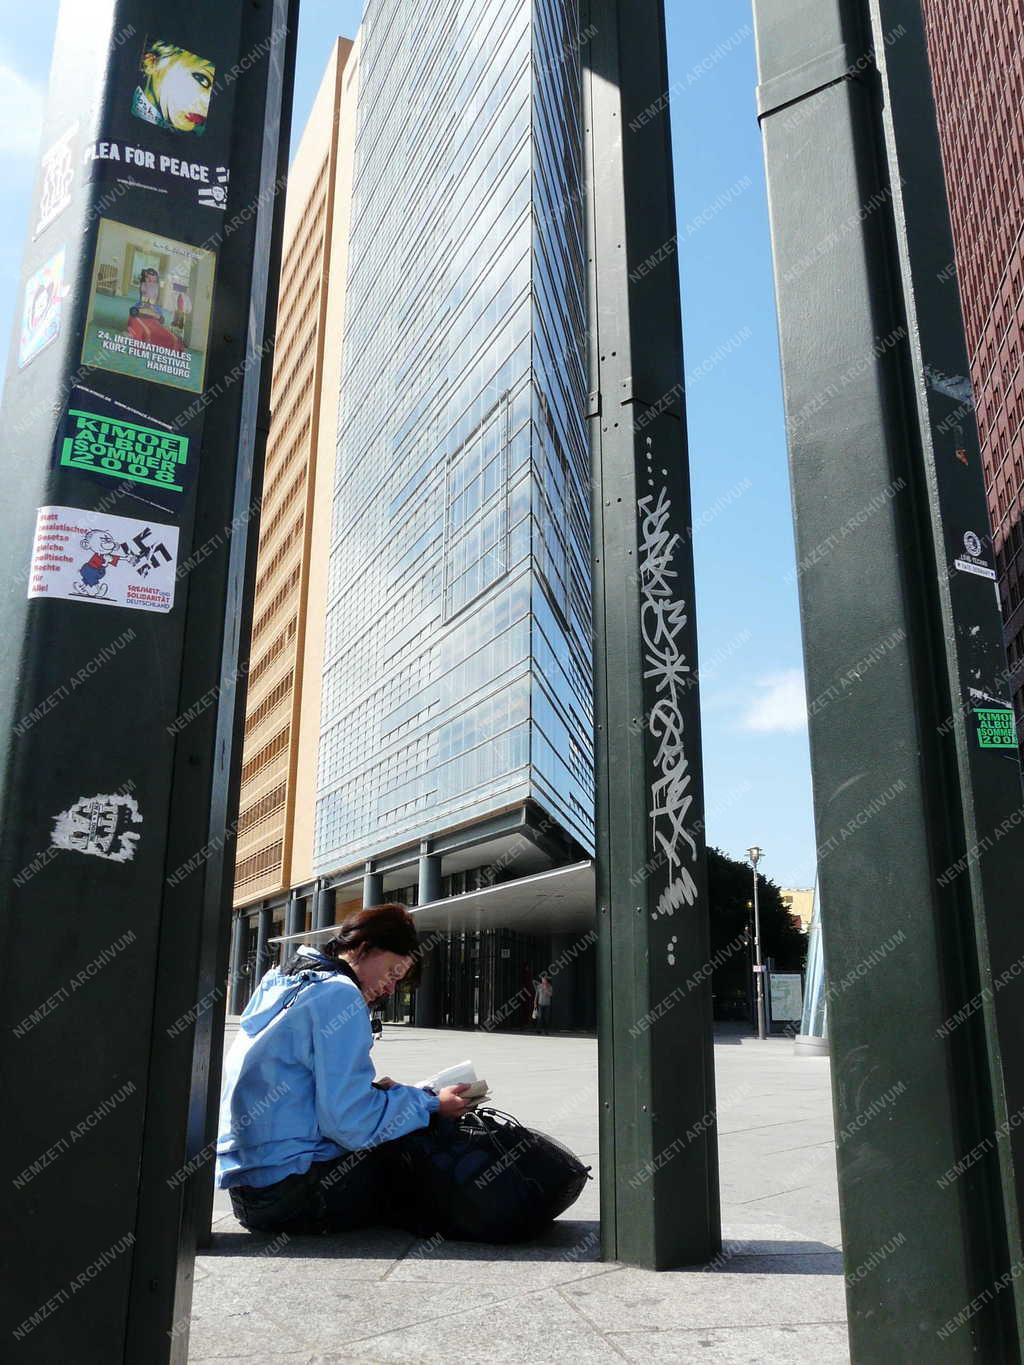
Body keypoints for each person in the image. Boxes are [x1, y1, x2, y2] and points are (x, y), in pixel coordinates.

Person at [216, 903, 469, 1234]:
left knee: (402, 1124)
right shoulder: (339, 994)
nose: (391, 988)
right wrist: (432, 1104)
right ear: (366, 947)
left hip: (253, 1193)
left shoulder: (289, 980)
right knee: (419, 1145)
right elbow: (349, 1122)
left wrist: (388, 1095)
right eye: (393, 972)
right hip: (294, 1194)